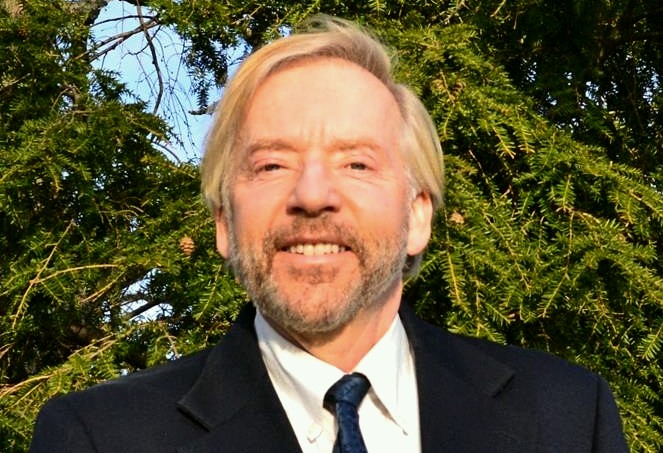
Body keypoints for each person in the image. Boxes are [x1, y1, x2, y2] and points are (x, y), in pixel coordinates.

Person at [30, 16, 628, 453]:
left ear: (418, 214)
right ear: (223, 224)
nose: (312, 195)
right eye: (271, 165)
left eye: (356, 163)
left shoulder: (570, 419)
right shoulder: (98, 438)